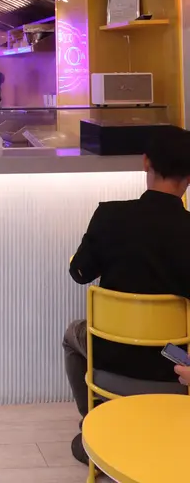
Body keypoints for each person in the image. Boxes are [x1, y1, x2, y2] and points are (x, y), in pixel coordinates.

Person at [64, 124, 190, 464]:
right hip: (174, 363)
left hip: (112, 357)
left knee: (73, 334)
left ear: (145, 162)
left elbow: (79, 273)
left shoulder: (109, 216)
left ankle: (96, 425)